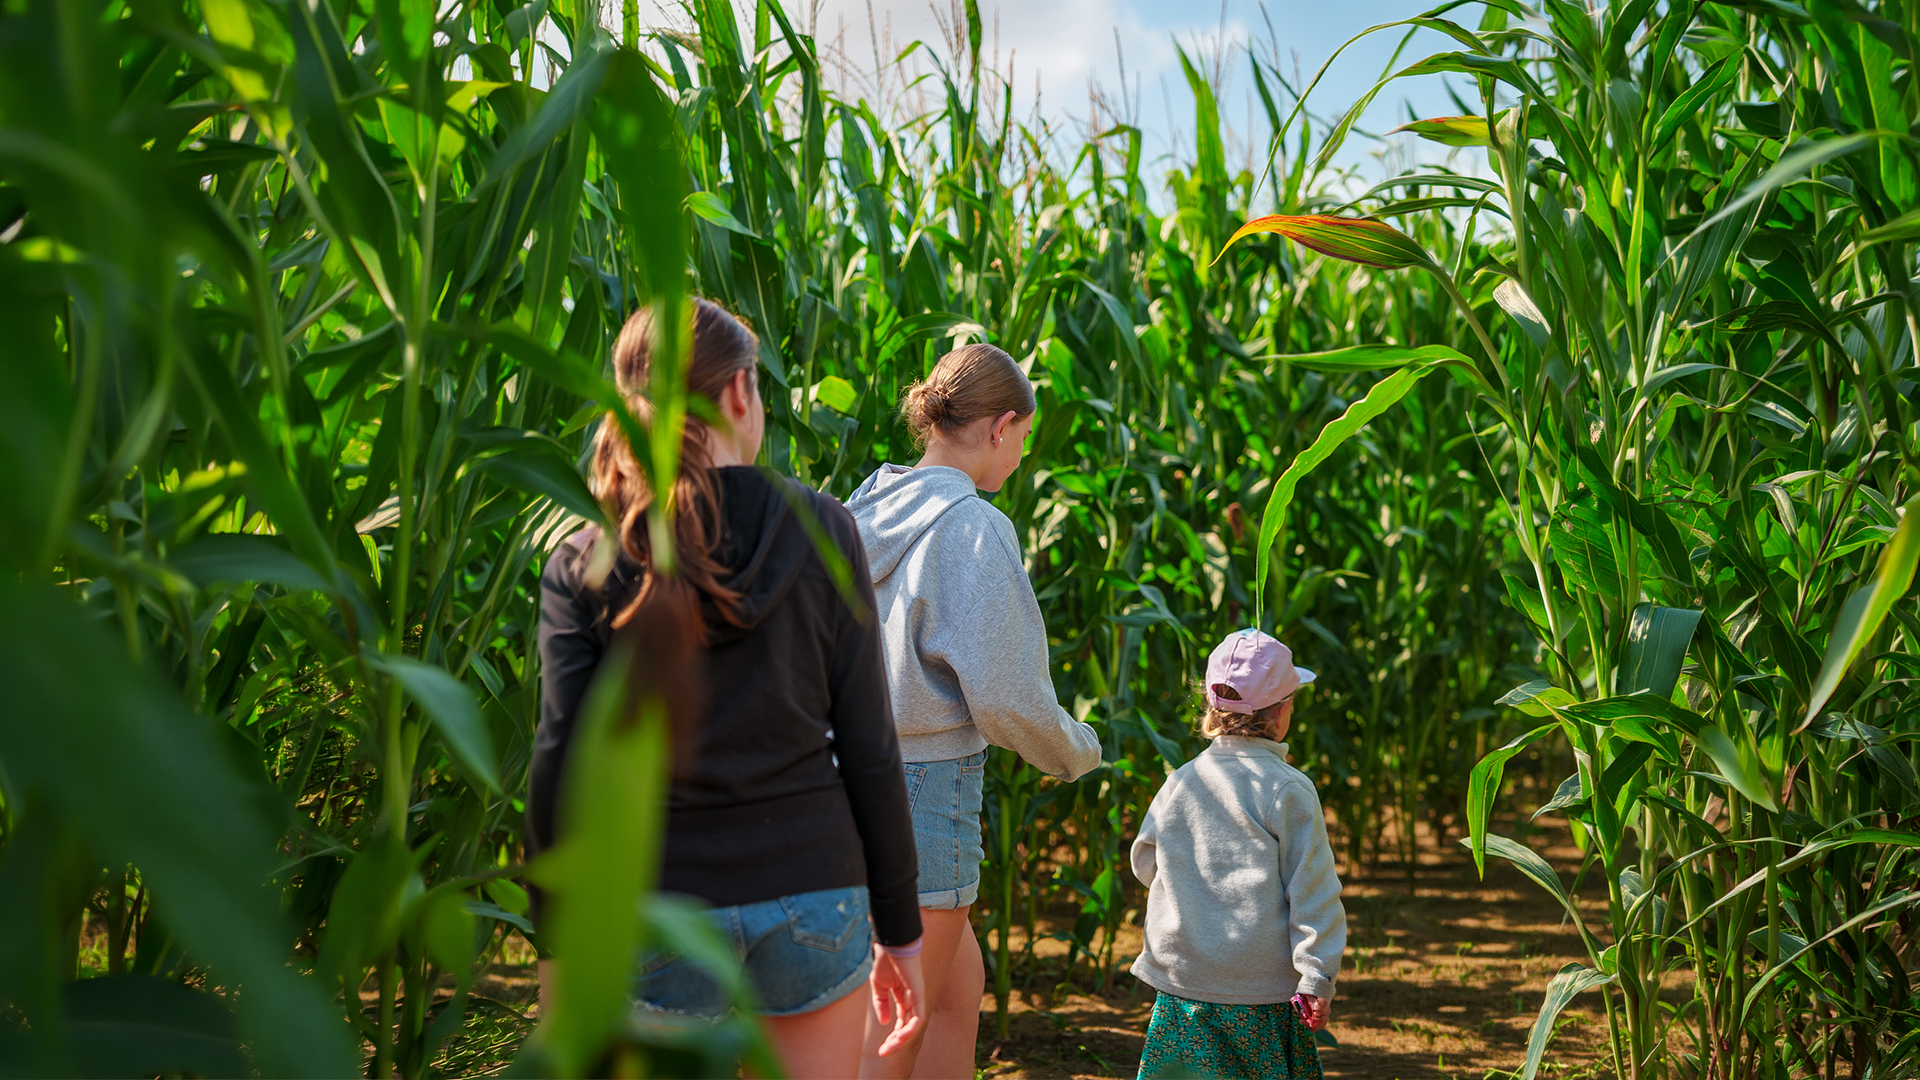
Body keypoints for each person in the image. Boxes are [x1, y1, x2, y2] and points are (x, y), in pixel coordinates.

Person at [528, 299, 925, 1078]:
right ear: (741, 392)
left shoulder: (589, 557)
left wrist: (556, 939)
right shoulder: (825, 528)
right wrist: (901, 933)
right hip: (814, 891)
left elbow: (559, 762)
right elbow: (872, 749)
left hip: (656, 905)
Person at [845, 343, 1103, 1078]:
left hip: (847, 779)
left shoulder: (866, 505)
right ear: (1001, 427)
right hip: (923, 790)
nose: (1020, 459)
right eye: (1022, 440)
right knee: (898, 1022)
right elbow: (1007, 700)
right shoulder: (974, 529)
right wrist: (1074, 750)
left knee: (958, 985)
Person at [1128, 628, 1346, 1080]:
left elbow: (1145, 861)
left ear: (1211, 706)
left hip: (1184, 990)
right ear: (1282, 713)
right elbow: (1314, 891)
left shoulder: (1182, 781)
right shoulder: (1287, 789)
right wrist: (1316, 978)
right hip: (1261, 997)